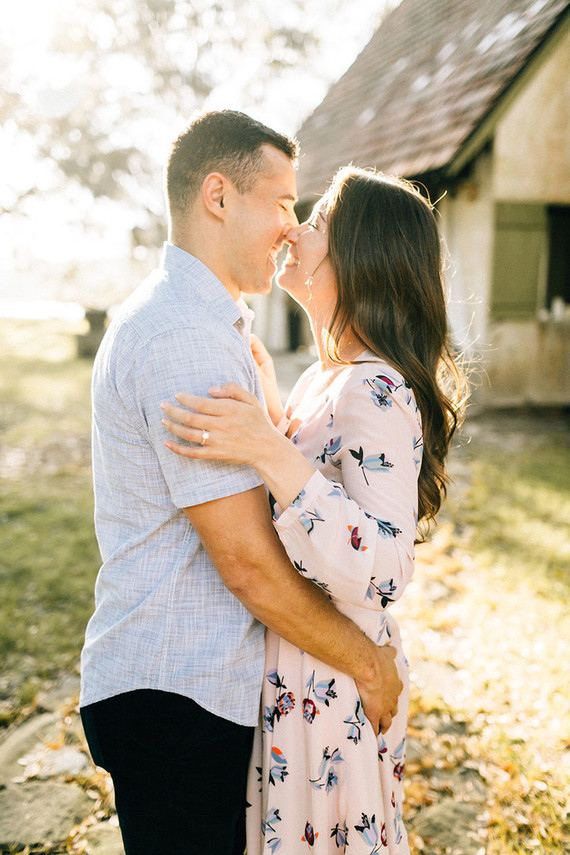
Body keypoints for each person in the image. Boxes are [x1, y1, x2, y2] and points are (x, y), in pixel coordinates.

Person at [79, 113, 402, 855]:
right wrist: (366, 662)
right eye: (283, 202)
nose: (291, 228)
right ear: (218, 196)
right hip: (176, 694)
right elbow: (250, 564)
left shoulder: (201, 324)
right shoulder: (184, 336)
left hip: (181, 691)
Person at [161, 165, 467, 853]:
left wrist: (270, 447)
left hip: (331, 690)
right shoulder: (324, 377)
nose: (296, 229)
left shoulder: (379, 387)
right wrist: (273, 407)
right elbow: (319, 487)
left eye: (319, 220)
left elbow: (387, 565)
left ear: (359, 254)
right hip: (298, 672)